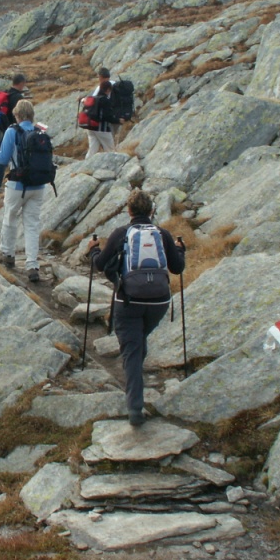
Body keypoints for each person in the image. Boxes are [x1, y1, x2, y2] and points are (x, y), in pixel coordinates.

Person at [86, 190, 185, 426]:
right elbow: (178, 268)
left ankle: (135, 408)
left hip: (129, 301)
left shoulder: (121, 233)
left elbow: (100, 265)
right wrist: (180, 250)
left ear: (129, 211)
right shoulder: (162, 234)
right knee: (138, 343)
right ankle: (137, 384)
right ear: (151, 211)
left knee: (131, 349)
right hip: (159, 302)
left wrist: (93, 250)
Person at [0, 99, 46, 282]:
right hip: (38, 185)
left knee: (10, 218)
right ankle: (32, 265)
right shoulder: (40, 131)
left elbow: (2, 159)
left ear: (17, 115)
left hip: (17, 184)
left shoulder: (12, 131)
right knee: (32, 225)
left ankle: (7, 254)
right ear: (31, 115)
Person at [0, 72, 29, 197]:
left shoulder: (6, 94)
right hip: (13, 131)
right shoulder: (18, 98)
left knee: (2, 159)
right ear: (21, 83)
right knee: (5, 161)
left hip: (1, 130)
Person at [85, 67, 124, 158]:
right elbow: (107, 116)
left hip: (90, 127)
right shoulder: (105, 100)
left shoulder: (95, 97)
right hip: (102, 128)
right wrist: (118, 120)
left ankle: (86, 164)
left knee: (92, 150)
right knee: (110, 150)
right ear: (108, 90)